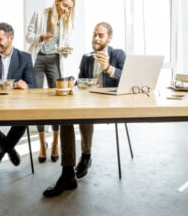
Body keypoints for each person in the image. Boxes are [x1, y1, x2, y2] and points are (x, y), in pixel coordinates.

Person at [43, 22, 126, 197]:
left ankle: (86, 155)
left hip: (111, 102)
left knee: (85, 113)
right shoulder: (87, 58)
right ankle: (67, 172)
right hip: (90, 100)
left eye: (100, 35)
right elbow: (81, 83)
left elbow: (127, 79)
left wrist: (109, 69)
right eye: (94, 34)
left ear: (109, 38)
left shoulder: (117, 54)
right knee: (66, 116)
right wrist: (72, 85)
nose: (96, 38)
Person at [0, 22, 36, 173]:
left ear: (11, 38)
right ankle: (9, 149)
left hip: (16, 104)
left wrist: (26, 85)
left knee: (22, 122)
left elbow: (33, 84)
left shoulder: (25, 58)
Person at [26, 0, 76, 163]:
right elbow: (28, 36)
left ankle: (55, 142)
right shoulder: (39, 14)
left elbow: (65, 44)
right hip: (38, 60)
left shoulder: (66, 21)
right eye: (64, 5)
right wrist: (41, 37)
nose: (66, 10)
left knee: (57, 100)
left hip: (55, 59)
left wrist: (66, 50)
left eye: (69, 8)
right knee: (37, 100)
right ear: (56, 1)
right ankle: (42, 143)